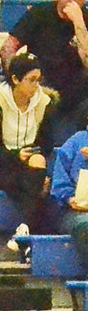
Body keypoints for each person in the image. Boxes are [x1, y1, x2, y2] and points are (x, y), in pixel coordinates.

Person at [0, 53, 59, 247]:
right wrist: (15, 156)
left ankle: (25, 228)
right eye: (31, 80)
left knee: (39, 162)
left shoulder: (44, 103)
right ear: (15, 79)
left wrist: (29, 153)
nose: (37, 86)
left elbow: (47, 143)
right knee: (40, 187)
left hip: (27, 164)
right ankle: (27, 232)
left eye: (39, 80)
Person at [1, 0, 88, 143]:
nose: (71, 0)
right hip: (41, 87)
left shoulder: (85, 19)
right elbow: (8, 48)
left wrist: (78, 23)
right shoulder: (39, 14)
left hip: (79, 90)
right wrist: (17, 80)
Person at [50, 114, 88, 268]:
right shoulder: (76, 142)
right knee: (85, 225)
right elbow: (59, 185)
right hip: (76, 211)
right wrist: (70, 199)